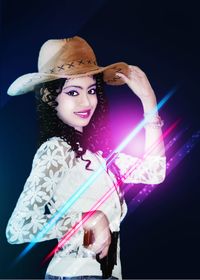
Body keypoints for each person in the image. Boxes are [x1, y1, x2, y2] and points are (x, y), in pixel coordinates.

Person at [6, 36, 166, 279]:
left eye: (91, 90)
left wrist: (149, 103)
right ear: (51, 98)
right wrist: (88, 219)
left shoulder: (100, 155)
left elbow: (155, 173)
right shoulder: (56, 150)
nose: (86, 101)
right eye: (72, 92)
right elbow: (18, 229)